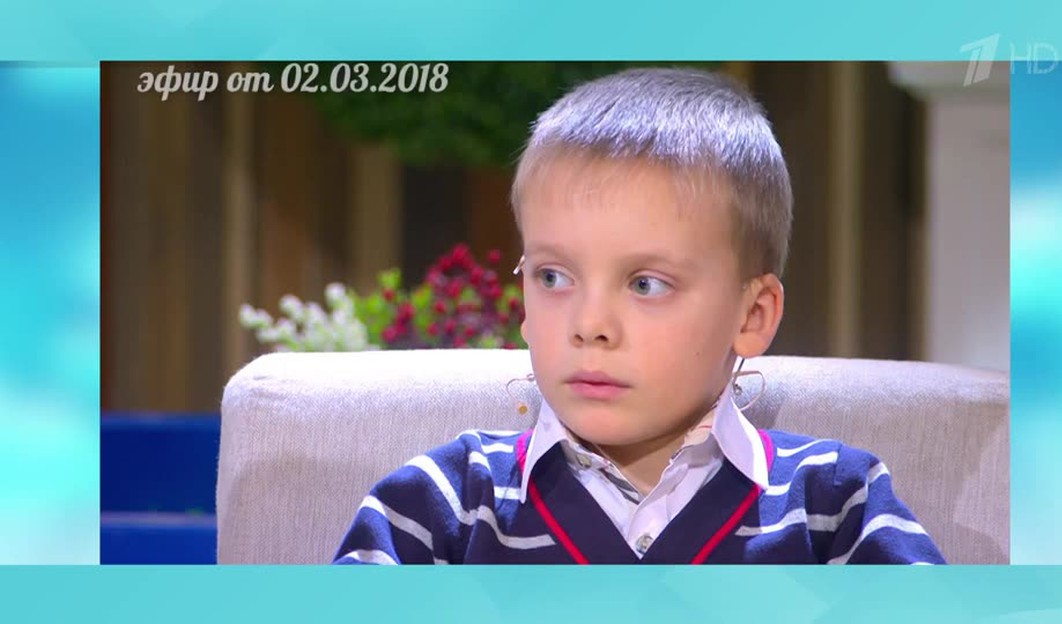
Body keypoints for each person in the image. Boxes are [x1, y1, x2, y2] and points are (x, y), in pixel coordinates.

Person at [333, 67, 945, 564]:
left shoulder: (835, 507)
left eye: (646, 284)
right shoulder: (439, 508)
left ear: (752, 315)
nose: (589, 324)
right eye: (554, 277)